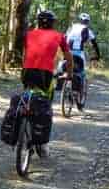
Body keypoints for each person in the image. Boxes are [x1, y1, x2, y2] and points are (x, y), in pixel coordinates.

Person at [23, 10, 73, 156]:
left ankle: (24, 126)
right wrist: (69, 74)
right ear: (53, 23)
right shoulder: (59, 36)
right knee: (46, 106)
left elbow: (27, 53)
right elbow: (68, 56)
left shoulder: (29, 34)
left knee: (28, 98)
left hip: (27, 73)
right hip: (45, 75)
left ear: (38, 22)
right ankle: (43, 144)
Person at [65, 13, 101, 110]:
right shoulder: (88, 31)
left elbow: (65, 38)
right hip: (79, 53)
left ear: (79, 20)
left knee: (66, 68)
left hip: (67, 52)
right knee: (81, 72)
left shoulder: (71, 27)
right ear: (87, 22)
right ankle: (78, 94)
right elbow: (95, 44)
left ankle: (67, 85)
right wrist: (97, 56)